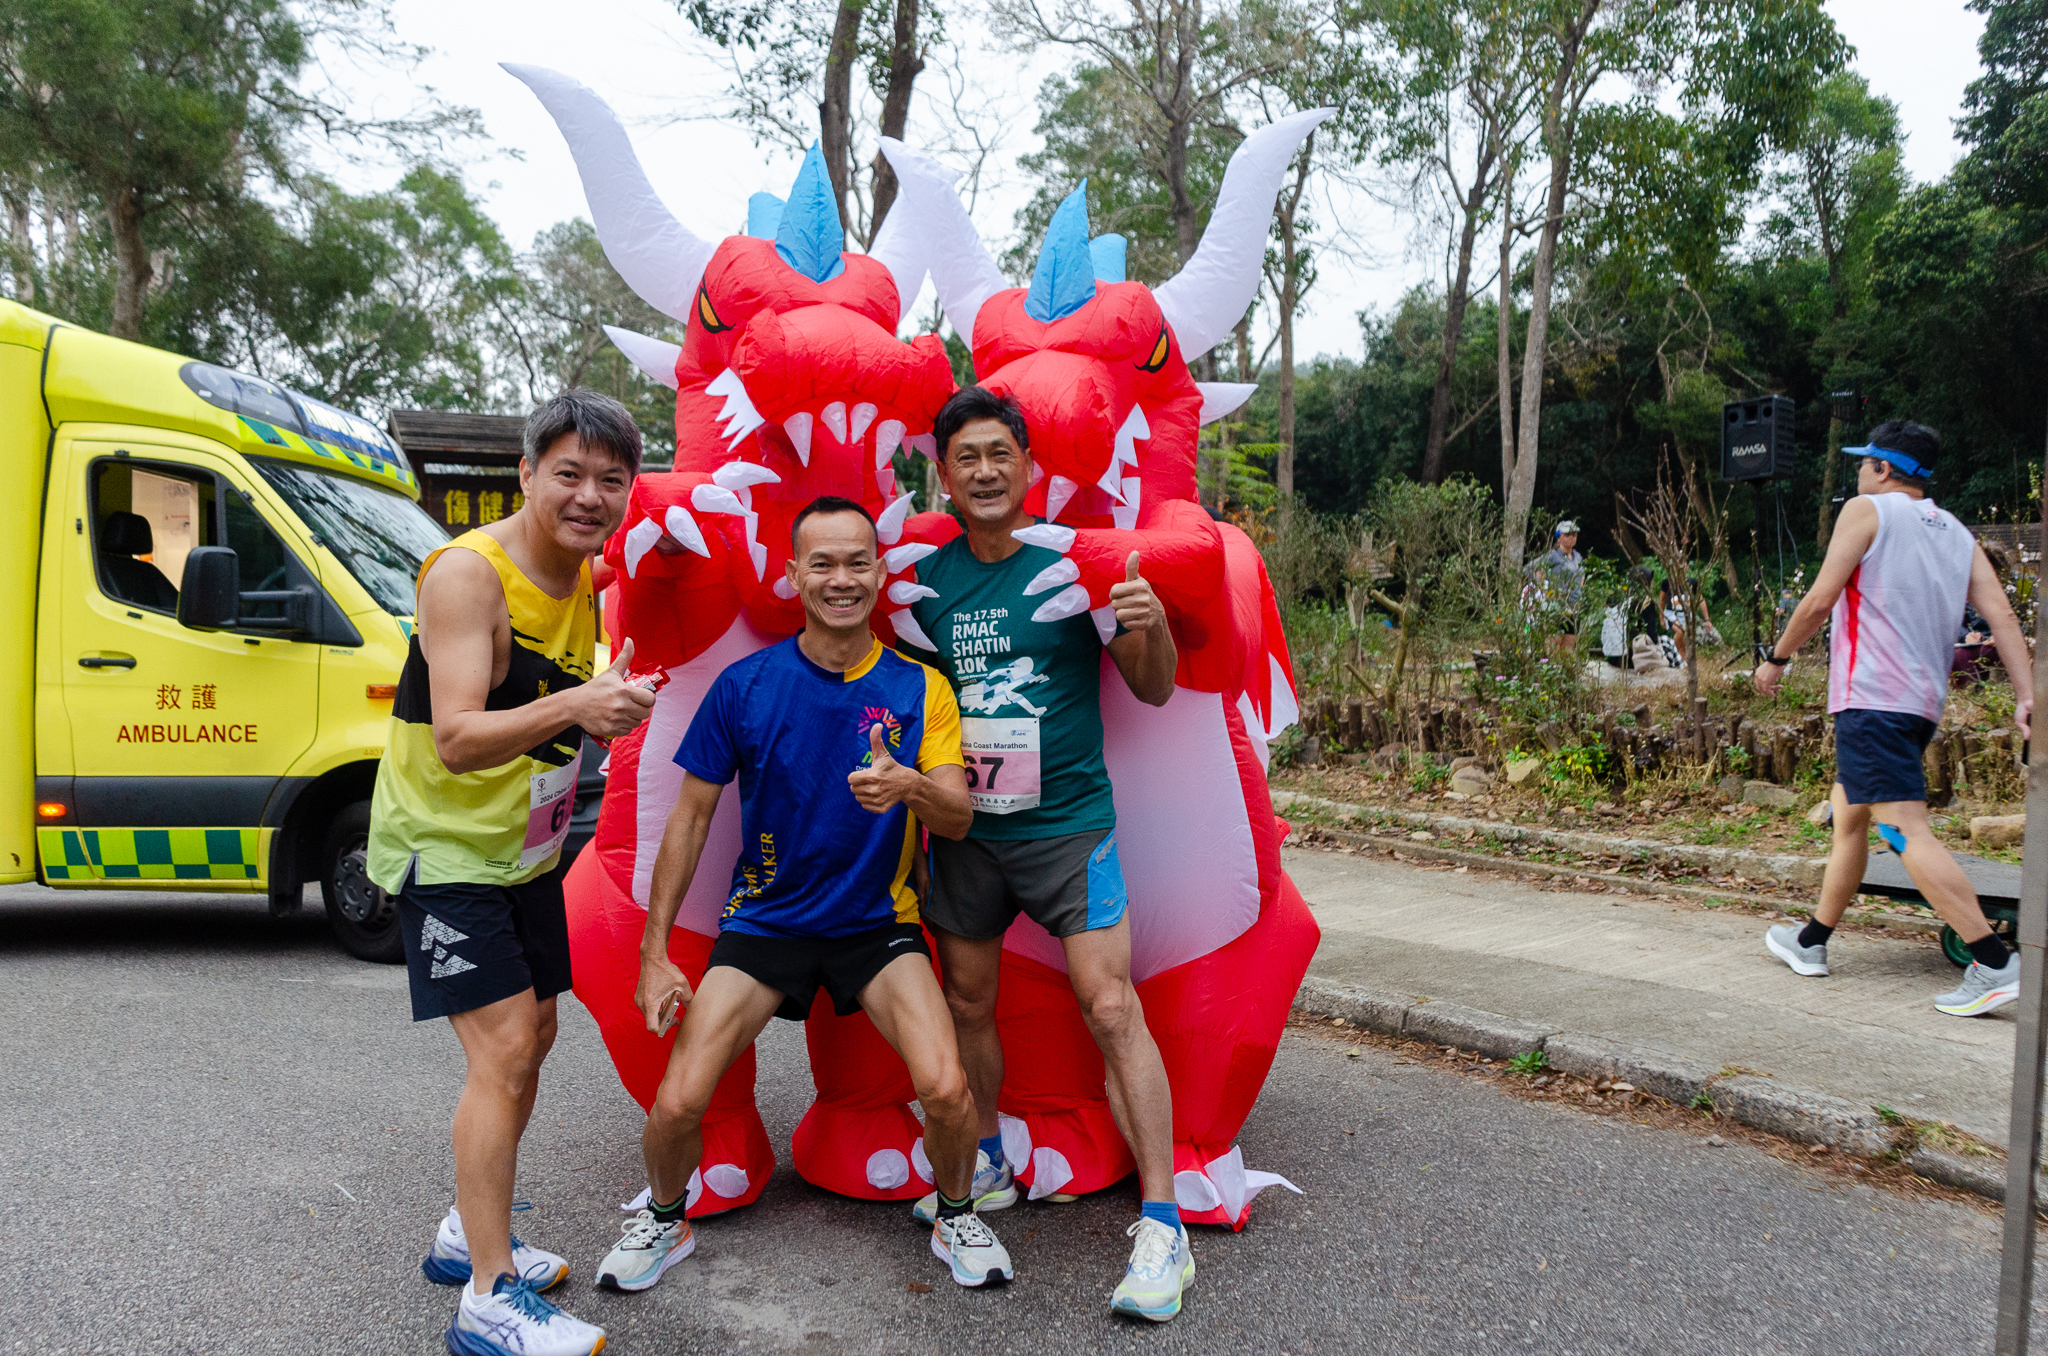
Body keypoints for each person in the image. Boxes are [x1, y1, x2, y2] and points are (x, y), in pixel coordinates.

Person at [598, 495, 1015, 1295]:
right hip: (766, 922)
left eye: (857, 562)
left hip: (877, 924)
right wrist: (654, 954)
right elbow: (689, 819)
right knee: (679, 1101)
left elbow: (959, 817)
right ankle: (664, 1218)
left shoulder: (919, 687)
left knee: (946, 1088)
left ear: (880, 573)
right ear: (793, 576)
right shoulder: (745, 684)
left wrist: (909, 787)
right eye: (822, 563)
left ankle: (957, 1211)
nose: (841, 579)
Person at [368, 389, 653, 1356]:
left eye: (610, 479)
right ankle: (488, 1299)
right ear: (526, 474)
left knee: (537, 1032)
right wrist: (580, 705)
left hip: (524, 849)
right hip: (445, 846)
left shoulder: (584, 572)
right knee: (502, 1050)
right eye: (568, 474)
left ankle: (467, 1231)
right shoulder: (467, 575)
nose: (589, 496)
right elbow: (455, 737)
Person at [897, 386, 1191, 1322]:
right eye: (966, 458)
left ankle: (1163, 1224)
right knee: (968, 1002)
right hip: (968, 835)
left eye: (1000, 454)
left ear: (1028, 466)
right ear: (944, 477)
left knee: (1110, 1005)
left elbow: (1153, 690)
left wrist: (1147, 620)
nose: (985, 472)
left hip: (1068, 828)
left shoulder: (1079, 563)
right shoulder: (926, 584)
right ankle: (986, 1159)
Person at [1757, 421, 2033, 1016]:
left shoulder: (1866, 511)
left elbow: (1820, 599)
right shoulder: (1956, 532)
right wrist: (2026, 695)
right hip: (1919, 705)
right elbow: (2004, 618)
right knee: (1850, 815)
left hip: (1871, 699)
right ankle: (1811, 941)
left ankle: (1993, 961)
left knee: (1902, 830)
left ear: (1883, 468)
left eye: (1864, 462)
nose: (1859, 471)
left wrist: (1776, 660)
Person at [1528, 520, 1586, 650]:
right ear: (1559, 537)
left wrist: (1580, 589)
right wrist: (1548, 591)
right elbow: (1533, 569)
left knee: (1569, 646)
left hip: (1574, 606)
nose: (1571, 537)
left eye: (1574, 535)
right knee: (1554, 643)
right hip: (1556, 607)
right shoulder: (1553, 555)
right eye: (1568, 534)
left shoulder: (1577, 556)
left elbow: (1581, 575)